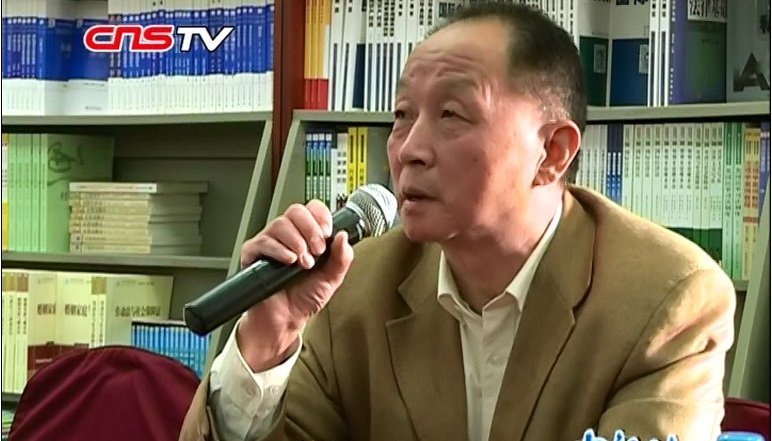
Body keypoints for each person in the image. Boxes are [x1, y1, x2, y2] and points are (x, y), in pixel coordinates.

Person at [178, 3, 736, 441]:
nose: (408, 150)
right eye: (402, 115)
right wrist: (269, 335)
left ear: (552, 153)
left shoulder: (668, 300)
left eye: (451, 114)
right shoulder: (348, 288)